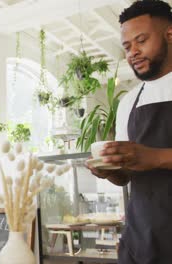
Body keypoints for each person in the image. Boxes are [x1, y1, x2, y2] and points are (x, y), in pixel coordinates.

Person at [86, 1, 172, 263]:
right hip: (142, 241)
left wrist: (155, 158)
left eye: (141, 40)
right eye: (127, 46)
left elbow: (150, 159)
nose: (133, 51)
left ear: (169, 34)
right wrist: (112, 171)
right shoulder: (128, 102)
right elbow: (127, 178)